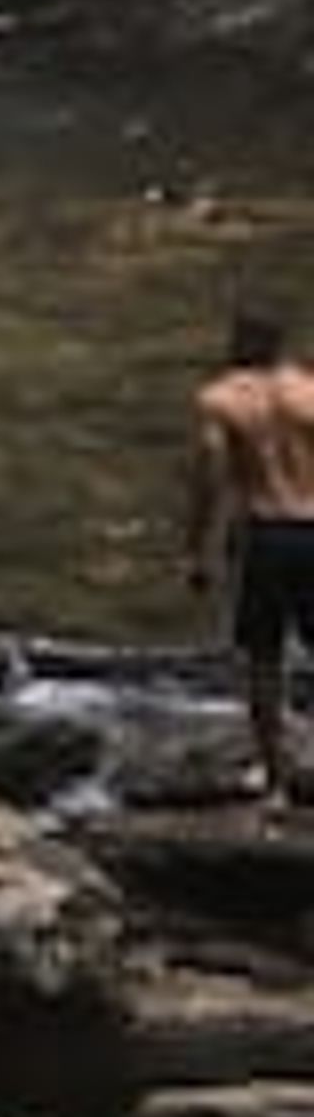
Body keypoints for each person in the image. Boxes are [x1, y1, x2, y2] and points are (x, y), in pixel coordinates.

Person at [185, 308, 314, 811]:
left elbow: (210, 476)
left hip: (267, 534)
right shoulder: (308, 390)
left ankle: (277, 784)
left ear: (236, 344)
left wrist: (197, 551)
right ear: (281, 346)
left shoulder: (221, 399)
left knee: (265, 660)